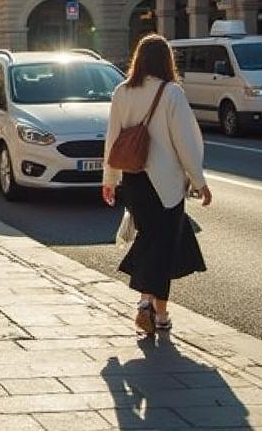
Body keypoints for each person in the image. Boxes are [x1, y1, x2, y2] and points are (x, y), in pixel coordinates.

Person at [103, 33, 212, 335]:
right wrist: (200, 182)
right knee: (163, 246)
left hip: (134, 180)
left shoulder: (121, 92)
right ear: (166, 61)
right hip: (166, 184)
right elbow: (186, 143)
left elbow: (112, 141)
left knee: (151, 239)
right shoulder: (171, 93)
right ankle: (155, 312)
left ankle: (147, 304)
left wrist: (110, 180)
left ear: (138, 59)